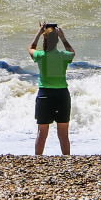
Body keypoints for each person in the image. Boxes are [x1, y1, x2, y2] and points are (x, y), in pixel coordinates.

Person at [28, 23, 75, 155]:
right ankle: (66, 159)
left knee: (42, 133)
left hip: (45, 95)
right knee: (63, 134)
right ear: (56, 41)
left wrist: (38, 32)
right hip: (61, 95)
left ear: (45, 39)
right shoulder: (63, 56)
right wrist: (63, 38)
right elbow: (72, 52)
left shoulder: (40, 55)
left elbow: (31, 48)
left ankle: (38, 160)